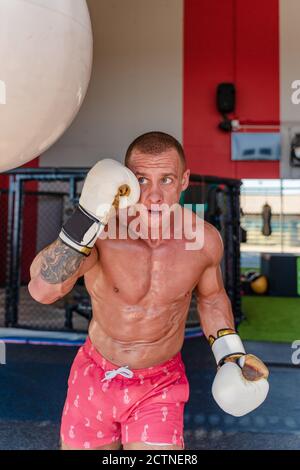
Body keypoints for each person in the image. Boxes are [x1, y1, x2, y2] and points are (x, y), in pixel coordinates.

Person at [28, 132, 269, 451]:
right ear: (126, 181)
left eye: (166, 179)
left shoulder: (204, 240)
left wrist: (229, 353)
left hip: (161, 383)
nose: (154, 196)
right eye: (141, 180)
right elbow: (43, 291)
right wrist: (84, 220)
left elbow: (211, 298)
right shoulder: (101, 234)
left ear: (184, 181)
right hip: (94, 375)